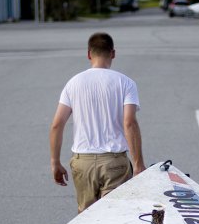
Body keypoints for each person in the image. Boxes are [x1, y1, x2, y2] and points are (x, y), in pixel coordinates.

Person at [49, 32, 146, 213]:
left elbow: (57, 125)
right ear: (113, 53)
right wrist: (138, 164)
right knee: (114, 218)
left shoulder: (73, 83)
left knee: (86, 220)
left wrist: (55, 162)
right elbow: (130, 123)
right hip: (114, 163)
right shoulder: (125, 83)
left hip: (82, 162)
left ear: (89, 54)